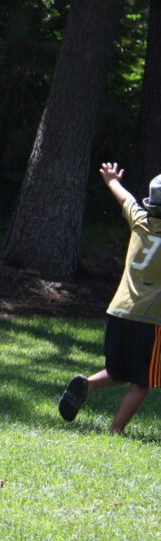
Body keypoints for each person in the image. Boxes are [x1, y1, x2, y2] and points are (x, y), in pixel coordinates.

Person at [58, 163, 161, 433]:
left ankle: (87, 384)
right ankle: (116, 431)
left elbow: (126, 198)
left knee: (119, 371)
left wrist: (111, 180)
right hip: (151, 318)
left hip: (118, 311)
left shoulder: (139, 220)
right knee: (142, 381)